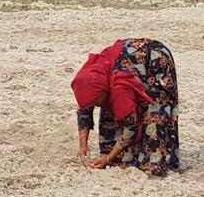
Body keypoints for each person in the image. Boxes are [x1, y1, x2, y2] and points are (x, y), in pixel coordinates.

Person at [71, 38, 180, 176]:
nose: (97, 106)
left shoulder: (119, 86)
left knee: (153, 112)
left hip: (155, 63)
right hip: (128, 60)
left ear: (105, 91)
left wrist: (109, 157)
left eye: (98, 101)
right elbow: (85, 109)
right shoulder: (89, 78)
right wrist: (83, 146)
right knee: (112, 127)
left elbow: (131, 126)